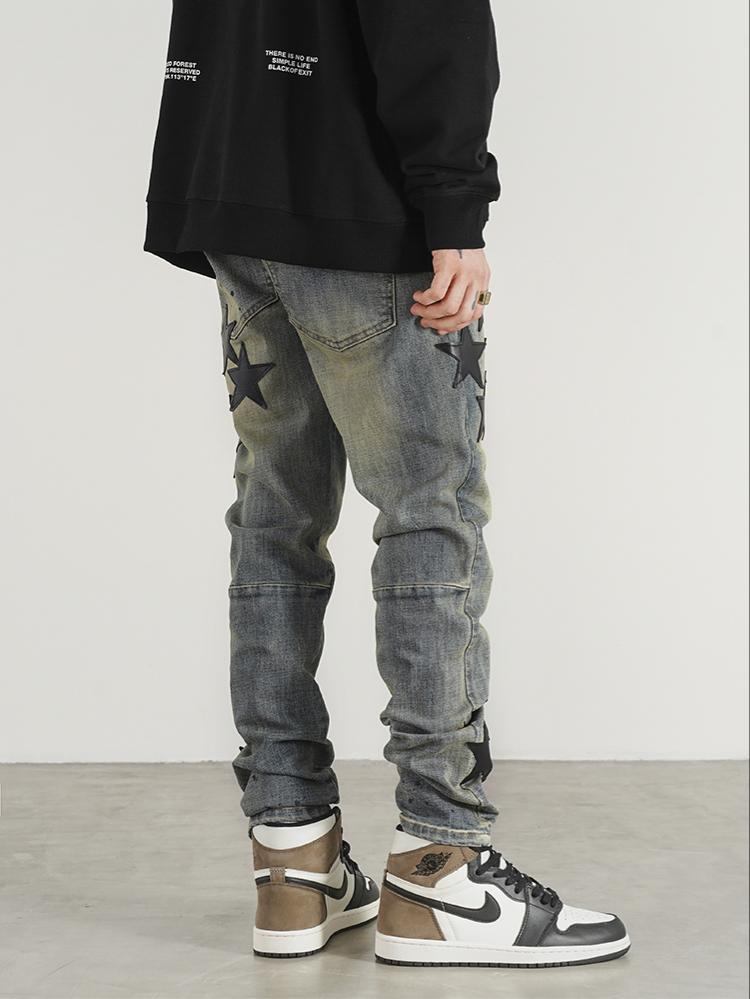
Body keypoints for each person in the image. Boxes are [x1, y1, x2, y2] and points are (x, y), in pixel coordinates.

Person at [145, 0, 629, 968]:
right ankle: (441, 863)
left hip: (236, 185)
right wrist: (455, 207)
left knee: (274, 517)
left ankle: (293, 859)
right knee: (429, 514)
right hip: (362, 209)